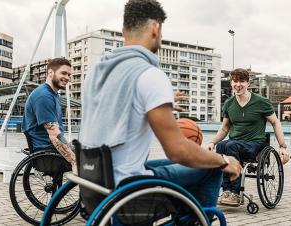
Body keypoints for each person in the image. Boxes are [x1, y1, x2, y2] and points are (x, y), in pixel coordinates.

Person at [79, 0, 242, 209]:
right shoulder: (149, 75)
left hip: (94, 183)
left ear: (123, 30)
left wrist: (158, 101)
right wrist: (224, 160)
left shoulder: (96, 73)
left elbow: (118, 105)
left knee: (187, 164)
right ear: (156, 28)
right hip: (128, 190)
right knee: (212, 166)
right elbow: (178, 151)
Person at [207, 68, 290, 206]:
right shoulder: (229, 103)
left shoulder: (261, 102)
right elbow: (224, 128)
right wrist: (212, 142)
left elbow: (275, 122)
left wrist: (282, 146)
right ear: (231, 83)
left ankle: (235, 192)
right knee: (222, 146)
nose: (238, 84)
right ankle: (227, 190)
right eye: (235, 81)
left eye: (242, 81)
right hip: (235, 143)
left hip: (255, 144)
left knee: (230, 145)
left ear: (248, 83)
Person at [22, 58, 77, 174]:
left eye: (69, 74)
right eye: (63, 73)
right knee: (93, 163)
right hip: (47, 154)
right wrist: (74, 161)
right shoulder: (44, 96)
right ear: (50, 73)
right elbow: (54, 135)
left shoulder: (53, 94)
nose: (67, 77)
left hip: (51, 149)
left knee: (91, 149)